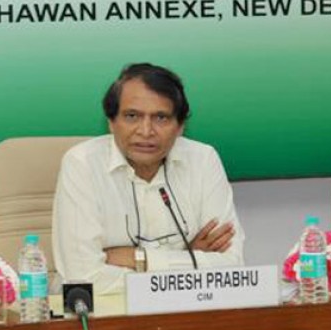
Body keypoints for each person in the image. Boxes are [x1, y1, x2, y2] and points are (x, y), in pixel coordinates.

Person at [52, 63, 245, 294]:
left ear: (180, 127)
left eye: (161, 118)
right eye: (132, 116)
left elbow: (233, 267)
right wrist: (188, 260)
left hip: (185, 308)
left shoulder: (203, 159)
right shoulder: (82, 163)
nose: (145, 131)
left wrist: (140, 259)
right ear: (111, 122)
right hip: (100, 312)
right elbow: (83, 277)